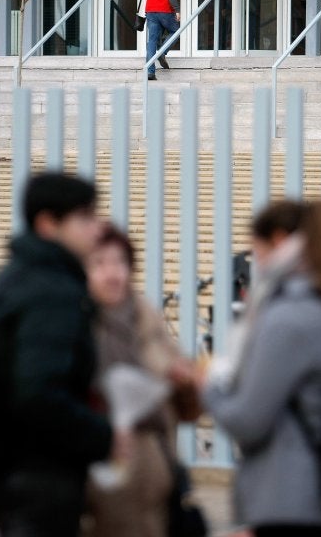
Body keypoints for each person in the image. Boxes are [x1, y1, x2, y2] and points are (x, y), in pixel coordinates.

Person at [201, 199, 321, 537]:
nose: (257, 262)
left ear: (280, 242)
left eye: (257, 249)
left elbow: (249, 420)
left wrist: (207, 386)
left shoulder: (289, 319)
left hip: (295, 501)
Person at [0, 172, 125, 537]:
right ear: (47, 224)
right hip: (38, 473)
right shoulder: (52, 293)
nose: (96, 228)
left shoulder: (7, 280)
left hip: (3, 467)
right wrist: (105, 437)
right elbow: (38, 392)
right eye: (85, 218)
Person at [82, 224, 201, 537]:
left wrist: (186, 383)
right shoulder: (77, 323)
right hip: (105, 474)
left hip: (159, 470)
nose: (112, 273)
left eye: (120, 262)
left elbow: (189, 411)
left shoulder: (146, 317)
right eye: (100, 263)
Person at [142, 0, 180, 81]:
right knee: (176, 30)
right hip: (165, 10)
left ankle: (150, 72)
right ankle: (162, 52)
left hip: (151, 11)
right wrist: (177, 10)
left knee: (152, 40)